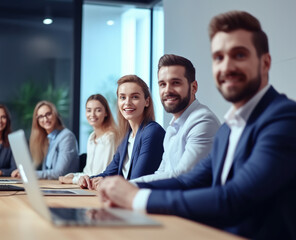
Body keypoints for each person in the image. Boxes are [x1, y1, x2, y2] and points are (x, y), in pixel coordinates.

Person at [98, 11, 296, 239]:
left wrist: (136, 197)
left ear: (265, 63)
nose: (227, 66)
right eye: (219, 57)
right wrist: (124, 189)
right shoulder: (228, 129)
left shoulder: (284, 119)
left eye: (239, 55)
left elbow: (234, 197)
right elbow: (186, 180)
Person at [131, 54, 220, 183]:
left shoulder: (203, 121)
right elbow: (162, 173)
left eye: (176, 83)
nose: (167, 90)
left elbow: (182, 176)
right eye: (162, 84)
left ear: (194, 87)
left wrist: (128, 185)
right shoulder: (174, 125)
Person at [78, 75, 165, 190]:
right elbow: (109, 173)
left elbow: (136, 180)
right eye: (122, 97)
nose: (127, 103)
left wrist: (106, 182)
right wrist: (88, 179)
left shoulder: (152, 132)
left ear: (147, 101)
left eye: (134, 97)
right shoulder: (126, 136)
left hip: (143, 204)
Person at [58, 94, 119, 184]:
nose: (92, 115)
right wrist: (73, 176)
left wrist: (73, 180)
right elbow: (88, 172)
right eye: (89, 110)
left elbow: (104, 175)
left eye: (98, 110)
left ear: (106, 113)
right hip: (91, 186)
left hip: (101, 187)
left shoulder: (110, 137)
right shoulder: (91, 137)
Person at [11, 100, 79, 179]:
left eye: (48, 114)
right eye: (41, 116)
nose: (45, 119)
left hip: (65, 187)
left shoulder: (66, 137)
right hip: (51, 185)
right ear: (37, 120)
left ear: (55, 115)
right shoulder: (47, 139)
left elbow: (59, 173)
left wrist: (28, 173)